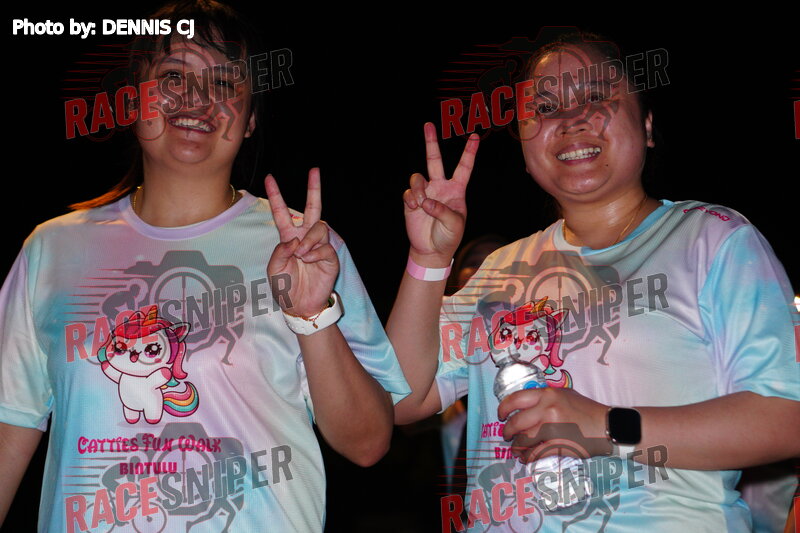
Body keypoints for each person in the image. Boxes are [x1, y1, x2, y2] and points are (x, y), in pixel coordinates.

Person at [0, 1, 408, 531]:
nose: (196, 99)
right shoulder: (52, 249)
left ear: (251, 117)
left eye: (224, 83)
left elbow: (368, 442)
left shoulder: (305, 247)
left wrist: (312, 316)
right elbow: (9, 427)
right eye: (174, 76)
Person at [387, 32, 800, 531]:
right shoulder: (501, 270)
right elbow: (400, 399)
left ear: (647, 126)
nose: (571, 120)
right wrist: (429, 260)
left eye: (596, 97)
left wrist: (606, 424)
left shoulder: (713, 239)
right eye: (545, 108)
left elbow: (786, 418)